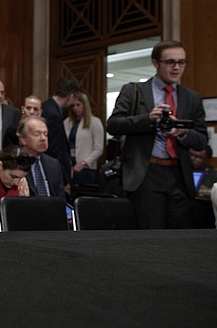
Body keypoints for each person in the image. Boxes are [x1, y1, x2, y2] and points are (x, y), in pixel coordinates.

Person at [107, 40, 207, 229]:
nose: (177, 67)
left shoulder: (191, 97)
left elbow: (201, 141)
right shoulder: (134, 91)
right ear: (156, 63)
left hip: (180, 176)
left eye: (182, 62)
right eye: (170, 62)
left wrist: (182, 132)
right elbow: (113, 125)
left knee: (180, 238)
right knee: (151, 237)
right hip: (146, 174)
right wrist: (148, 119)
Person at [42, 77, 80, 188]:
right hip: (53, 171)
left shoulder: (47, 106)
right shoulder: (53, 114)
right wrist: (64, 175)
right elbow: (55, 149)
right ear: (71, 96)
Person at [17, 116, 66, 200]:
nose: (43, 138)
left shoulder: (53, 164)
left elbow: (61, 198)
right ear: (23, 139)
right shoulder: (14, 163)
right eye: (37, 134)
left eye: (45, 134)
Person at [63, 91, 104, 187]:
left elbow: (98, 149)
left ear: (85, 105)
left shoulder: (95, 122)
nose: (75, 108)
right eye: (73, 106)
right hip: (69, 166)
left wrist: (83, 163)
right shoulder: (67, 122)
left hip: (85, 168)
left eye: (78, 105)